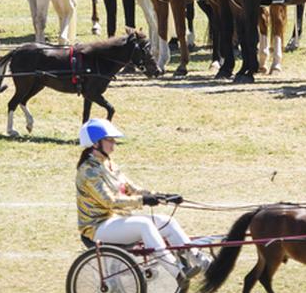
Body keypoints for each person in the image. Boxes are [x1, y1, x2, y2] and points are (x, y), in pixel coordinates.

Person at [74, 119, 210, 279]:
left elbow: (132, 189)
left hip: (116, 221)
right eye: (109, 140)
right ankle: (177, 271)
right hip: (97, 228)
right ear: (96, 144)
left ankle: (200, 260)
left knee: (168, 221)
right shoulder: (89, 171)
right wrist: (143, 201)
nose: (114, 143)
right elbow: (111, 202)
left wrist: (161, 196)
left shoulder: (108, 164)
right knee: (144, 224)